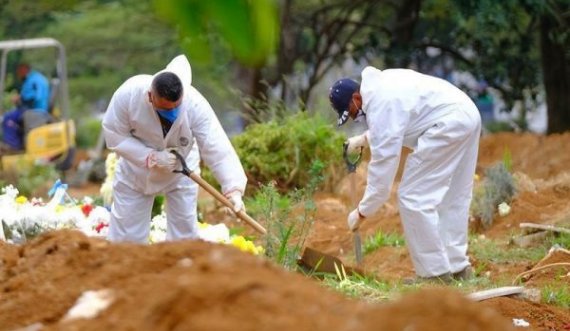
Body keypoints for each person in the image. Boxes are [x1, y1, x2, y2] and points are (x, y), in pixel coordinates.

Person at [329, 66, 481, 283]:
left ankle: (434, 274)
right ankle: (458, 268)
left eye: (351, 112)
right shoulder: (381, 86)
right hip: (466, 113)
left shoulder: (381, 105)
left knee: (413, 197)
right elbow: (398, 121)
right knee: (455, 195)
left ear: (356, 98)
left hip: (448, 123)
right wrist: (364, 139)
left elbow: (383, 170)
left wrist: (362, 212)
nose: (354, 118)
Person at [102, 55, 247, 243]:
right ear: (150, 96)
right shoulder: (128, 94)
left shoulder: (195, 104)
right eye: (164, 109)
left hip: (182, 170)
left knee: (184, 236)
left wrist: (233, 190)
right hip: (136, 171)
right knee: (126, 241)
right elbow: (114, 135)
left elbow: (216, 145)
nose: (171, 113)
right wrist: (151, 157)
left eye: (175, 107)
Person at [2, 63, 50, 150]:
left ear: (24, 69)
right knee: (12, 116)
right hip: (32, 109)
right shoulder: (33, 78)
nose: (18, 74)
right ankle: (18, 143)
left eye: (19, 72)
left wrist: (21, 98)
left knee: (8, 118)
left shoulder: (34, 80)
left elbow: (36, 96)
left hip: (36, 110)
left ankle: (13, 146)